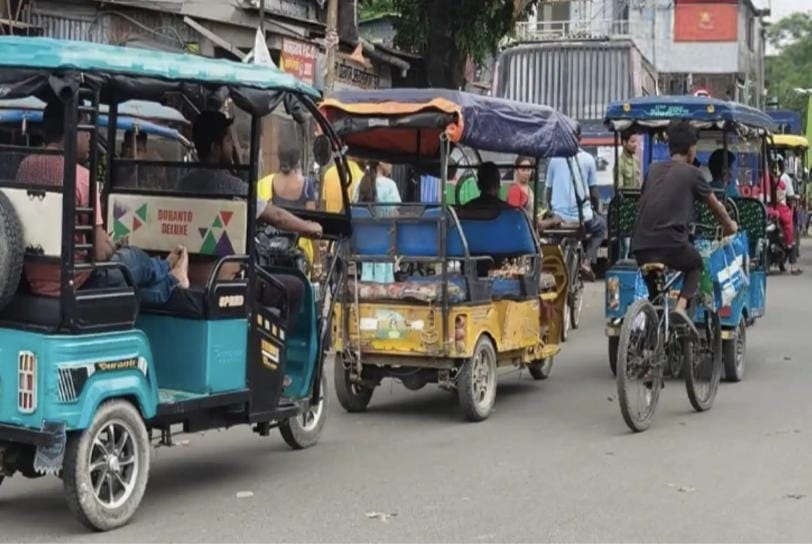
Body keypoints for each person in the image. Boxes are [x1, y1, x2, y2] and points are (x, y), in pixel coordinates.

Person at [16, 100, 189, 305]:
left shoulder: (24, 168)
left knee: (131, 288)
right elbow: (100, 253)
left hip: (36, 281)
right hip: (79, 282)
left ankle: (171, 276)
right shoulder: (81, 177)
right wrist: (112, 247)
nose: (90, 137)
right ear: (72, 130)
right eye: (86, 129)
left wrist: (107, 243)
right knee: (131, 258)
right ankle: (168, 270)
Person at [179, 110, 323, 327]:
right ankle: (274, 356)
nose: (233, 146)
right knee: (294, 287)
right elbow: (276, 216)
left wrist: (233, 156)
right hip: (224, 278)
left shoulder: (185, 182)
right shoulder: (229, 184)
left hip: (195, 273)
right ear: (216, 148)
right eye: (229, 140)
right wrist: (310, 227)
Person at [631, 120, 738, 320]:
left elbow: (643, 202)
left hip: (640, 247)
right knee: (695, 264)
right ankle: (680, 308)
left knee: (656, 293)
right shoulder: (693, 173)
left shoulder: (653, 170)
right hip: (672, 245)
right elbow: (718, 209)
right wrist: (730, 226)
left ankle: (654, 328)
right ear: (691, 150)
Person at [546, 126, 607, 279]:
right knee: (601, 226)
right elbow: (594, 193)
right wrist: (597, 210)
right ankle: (587, 262)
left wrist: (551, 209)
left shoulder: (553, 159)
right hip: (583, 218)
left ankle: (553, 268)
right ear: (580, 139)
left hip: (559, 219)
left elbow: (548, 192)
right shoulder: (588, 159)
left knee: (554, 240)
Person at [354, 161, 401, 283]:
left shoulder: (359, 184)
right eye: (389, 160)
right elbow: (396, 215)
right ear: (380, 162)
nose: (392, 164)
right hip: (386, 247)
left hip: (365, 247)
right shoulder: (390, 185)